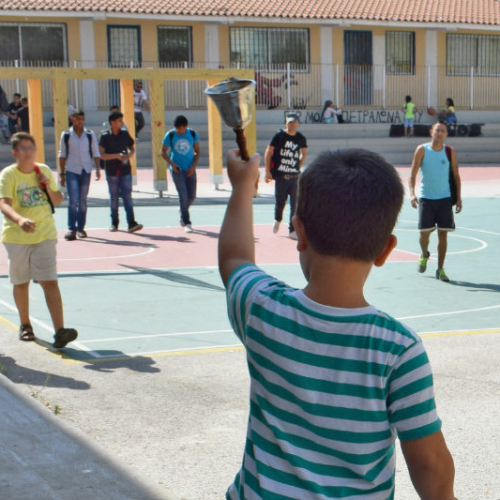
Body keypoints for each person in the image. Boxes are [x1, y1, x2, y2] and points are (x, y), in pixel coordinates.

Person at [219, 147, 456, 500]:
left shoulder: (260, 309)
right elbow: (430, 464)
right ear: (385, 250)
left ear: (299, 232)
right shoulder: (399, 350)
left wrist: (242, 187)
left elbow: (235, 257)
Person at [0, 132, 78, 348]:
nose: (28, 152)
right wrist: (19, 219)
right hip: (17, 237)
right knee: (21, 281)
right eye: (23, 149)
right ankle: (25, 325)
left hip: (44, 234)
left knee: (50, 281)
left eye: (30, 148)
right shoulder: (9, 175)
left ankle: (60, 330)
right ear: (15, 153)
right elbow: (4, 204)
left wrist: (46, 186)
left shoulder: (42, 170)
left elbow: (58, 200)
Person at [409, 121, 462, 282]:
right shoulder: (422, 150)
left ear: (446, 134)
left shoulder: (449, 151)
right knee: (424, 234)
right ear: (432, 131)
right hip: (426, 198)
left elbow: (456, 175)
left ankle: (440, 269)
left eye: (443, 131)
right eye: (437, 130)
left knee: (443, 235)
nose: (440, 133)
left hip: (444, 199)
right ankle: (424, 254)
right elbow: (412, 174)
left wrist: (458, 198)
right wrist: (412, 194)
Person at [58, 109, 101, 241]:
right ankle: (72, 228)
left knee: (82, 201)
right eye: (77, 119)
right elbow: (62, 154)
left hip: (86, 170)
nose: (80, 122)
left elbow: (95, 152)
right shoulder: (66, 135)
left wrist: (98, 169)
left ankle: (81, 227)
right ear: (72, 119)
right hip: (72, 170)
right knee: (73, 200)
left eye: (82, 119)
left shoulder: (89, 134)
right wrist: (62, 173)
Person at [264, 112, 307, 239]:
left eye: (294, 123)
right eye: (289, 123)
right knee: (280, 202)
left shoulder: (301, 138)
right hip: (281, 176)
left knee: (295, 204)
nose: (292, 125)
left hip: (294, 177)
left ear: (298, 123)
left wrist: (298, 166)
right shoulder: (279, 135)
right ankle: (277, 220)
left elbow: (304, 153)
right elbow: (268, 151)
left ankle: (292, 230)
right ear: (286, 123)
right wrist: (267, 171)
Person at [99, 111, 143, 233]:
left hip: (125, 170)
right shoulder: (104, 136)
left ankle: (131, 223)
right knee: (114, 197)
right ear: (112, 122)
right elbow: (101, 154)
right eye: (119, 120)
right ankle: (114, 222)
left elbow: (132, 147)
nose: (121, 123)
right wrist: (116, 156)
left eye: (121, 120)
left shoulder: (124, 134)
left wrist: (129, 155)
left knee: (127, 196)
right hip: (111, 171)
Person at [161, 115, 200, 233]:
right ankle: (186, 222)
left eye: (181, 129)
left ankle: (182, 210)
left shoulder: (192, 134)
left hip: (190, 169)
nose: (179, 131)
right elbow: (162, 151)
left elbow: (197, 152)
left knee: (192, 196)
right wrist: (172, 164)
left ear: (186, 126)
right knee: (183, 195)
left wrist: (193, 167)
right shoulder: (170, 135)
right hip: (177, 170)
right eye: (177, 128)